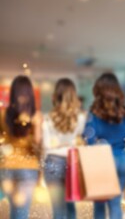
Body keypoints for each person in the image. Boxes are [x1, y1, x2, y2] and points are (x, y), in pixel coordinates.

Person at [83, 72, 125, 219]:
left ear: (98, 91)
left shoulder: (93, 113)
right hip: (121, 161)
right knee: (115, 204)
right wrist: (119, 138)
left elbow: (88, 138)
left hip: (101, 161)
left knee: (99, 205)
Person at [42, 78, 86, 219]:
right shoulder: (80, 117)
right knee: (71, 207)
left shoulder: (47, 118)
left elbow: (46, 145)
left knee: (58, 210)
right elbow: (80, 143)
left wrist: (59, 144)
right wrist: (69, 144)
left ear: (55, 95)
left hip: (52, 163)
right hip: (72, 163)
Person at [0, 75, 42, 219]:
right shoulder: (36, 115)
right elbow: (37, 143)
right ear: (30, 93)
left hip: (7, 167)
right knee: (21, 213)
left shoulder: (4, 115)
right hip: (28, 167)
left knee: (14, 211)